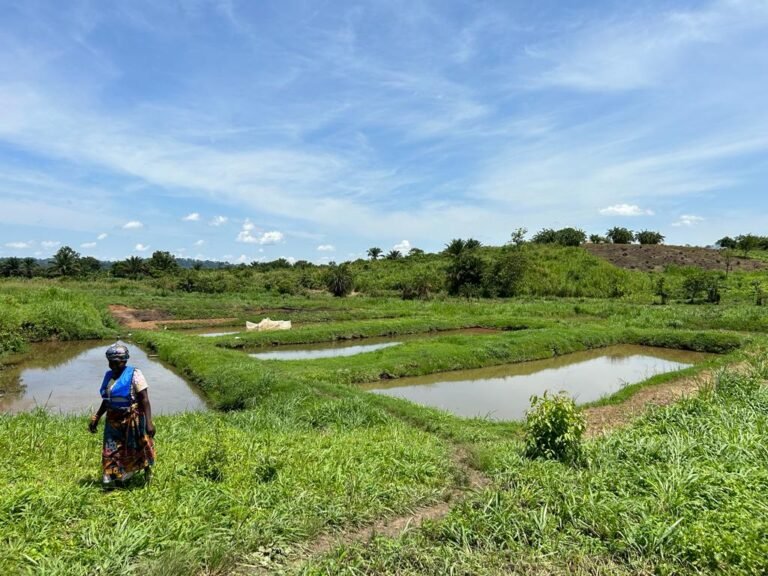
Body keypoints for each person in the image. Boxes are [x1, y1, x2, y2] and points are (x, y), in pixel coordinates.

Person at [88, 343, 155, 487]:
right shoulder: (109, 376)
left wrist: (149, 422)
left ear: (124, 361)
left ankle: (146, 471)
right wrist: (96, 417)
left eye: (116, 362)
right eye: (110, 362)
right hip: (113, 420)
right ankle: (112, 477)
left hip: (133, 418)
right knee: (111, 448)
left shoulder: (135, 374)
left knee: (139, 446)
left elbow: (144, 399)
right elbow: (106, 400)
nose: (112, 366)